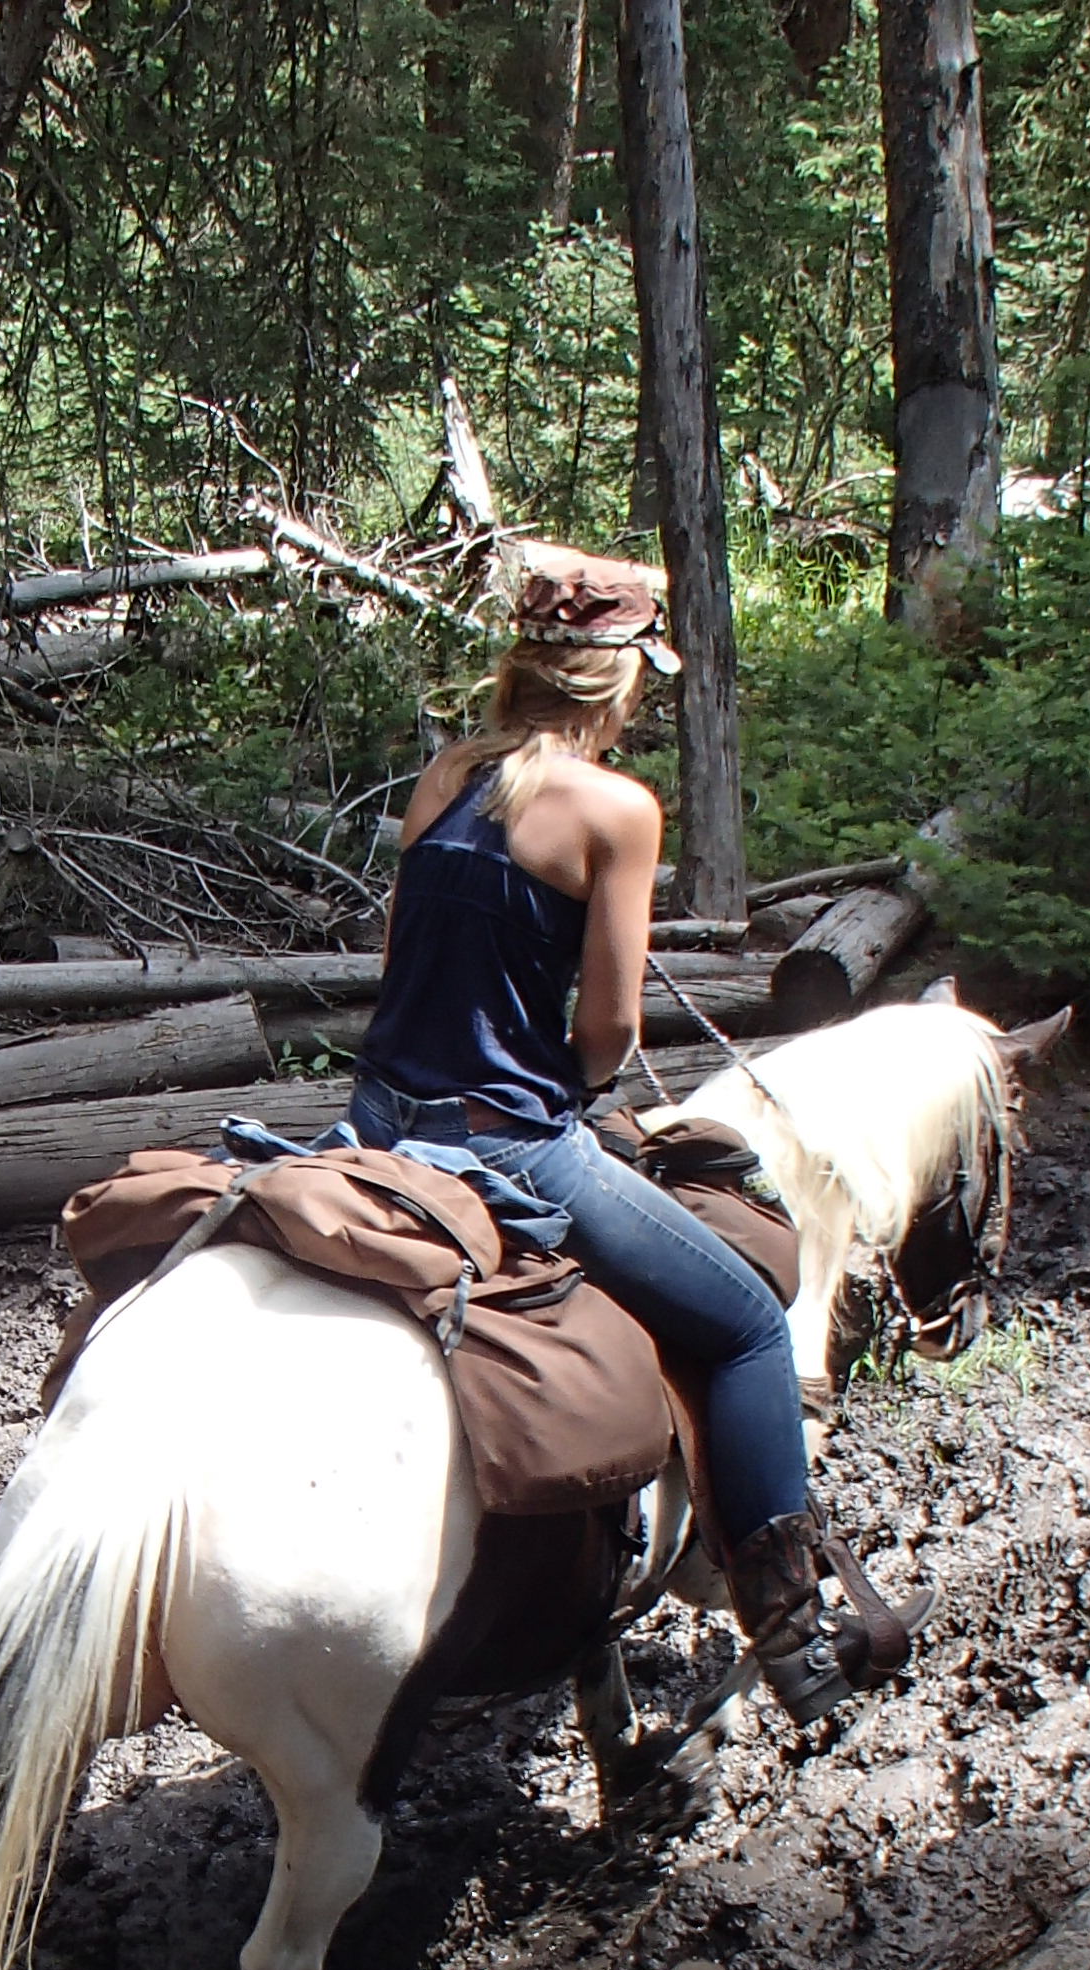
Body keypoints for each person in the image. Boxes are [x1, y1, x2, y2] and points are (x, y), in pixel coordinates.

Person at [343, 565, 891, 1726]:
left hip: (376, 1119)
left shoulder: (445, 775)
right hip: (505, 1145)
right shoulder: (615, 810)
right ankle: (789, 1627)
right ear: (620, 681)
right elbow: (605, 1032)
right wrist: (575, 1085)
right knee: (747, 1326)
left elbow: (402, 960)